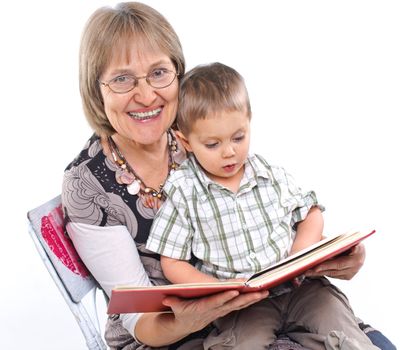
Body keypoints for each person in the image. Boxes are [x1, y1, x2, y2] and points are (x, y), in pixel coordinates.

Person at [61, 2, 395, 350]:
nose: (146, 96)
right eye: (122, 79)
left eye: (159, 73)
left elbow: (267, 212)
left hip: (262, 305)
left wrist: (328, 256)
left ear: (178, 73)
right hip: (168, 337)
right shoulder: (87, 185)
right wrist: (196, 315)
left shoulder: (200, 133)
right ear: (95, 88)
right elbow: (139, 319)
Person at [145, 62, 380, 350]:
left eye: (238, 137)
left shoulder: (268, 173)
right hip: (242, 305)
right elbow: (172, 262)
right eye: (213, 144)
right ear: (186, 141)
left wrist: (300, 254)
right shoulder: (184, 191)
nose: (229, 151)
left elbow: (311, 213)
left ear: (249, 121)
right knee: (240, 344)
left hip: (301, 289)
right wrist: (214, 289)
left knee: (345, 333)